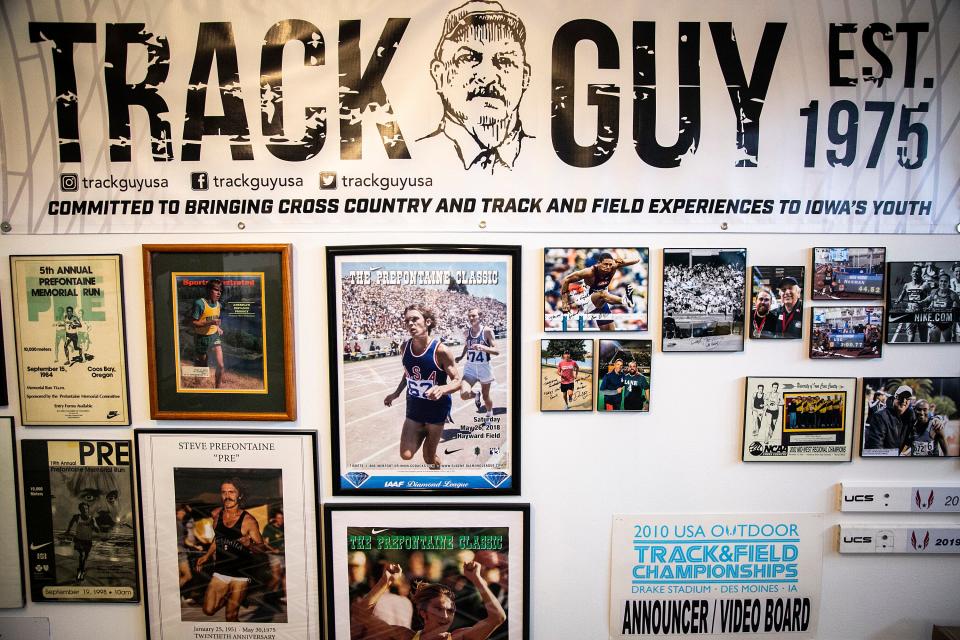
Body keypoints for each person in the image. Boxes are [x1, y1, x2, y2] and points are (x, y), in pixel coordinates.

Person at [418, 0, 531, 172]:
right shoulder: (413, 159)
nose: (488, 76)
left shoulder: (549, 158)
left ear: (524, 77)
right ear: (439, 74)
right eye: (468, 58)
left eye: (504, 60)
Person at [383, 304, 462, 469]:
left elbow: (457, 380)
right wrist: (396, 393)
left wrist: (443, 389)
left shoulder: (441, 350)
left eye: (415, 319)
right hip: (415, 407)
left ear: (427, 322)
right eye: (407, 321)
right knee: (406, 455)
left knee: (428, 458)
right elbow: (409, 373)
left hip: (436, 409)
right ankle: (423, 431)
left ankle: (435, 461)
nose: (410, 324)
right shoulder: (404, 348)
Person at [350, 561, 506, 640]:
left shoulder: (459, 637)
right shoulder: (405, 636)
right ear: (423, 612)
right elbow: (360, 613)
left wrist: (476, 579)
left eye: (450, 610)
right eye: (438, 608)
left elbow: (498, 618)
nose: (445, 616)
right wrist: (385, 582)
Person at [195, 478, 267, 621]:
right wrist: (207, 556)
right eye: (224, 492)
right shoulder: (216, 514)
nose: (227, 496)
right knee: (208, 610)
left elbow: (262, 548)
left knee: (231, 617)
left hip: (240, 574)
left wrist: (250, 545)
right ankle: (233, 598)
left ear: (239, 495)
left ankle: (237, 601)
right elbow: (218, 538)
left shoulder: (248, 521)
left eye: (231, 492)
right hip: (221, 570)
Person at [559, 253, 638, 329]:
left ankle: (626, 301)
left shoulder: (613, 267)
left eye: (610, 265)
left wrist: (623, 261)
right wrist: (564, 302)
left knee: (610, 332)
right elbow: (566, 280)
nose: (608, 267)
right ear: (599, 263)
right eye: (605, 264)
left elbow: (637, 260)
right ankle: (625, 301)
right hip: (588, 303)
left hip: (602, 302)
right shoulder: (589, 272)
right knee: (602, 293)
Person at [456, 308, 499, 421]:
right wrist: (461, 356)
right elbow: (467, 345)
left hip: (484, 368)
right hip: (470, 367)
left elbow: (496, 350)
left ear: (480, 316)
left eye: (473, 316)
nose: (471, 318)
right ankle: (475, 395)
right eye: (469, 316)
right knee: (464, 394)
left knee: (486, 397)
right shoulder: (466, 333)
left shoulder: (487, 331)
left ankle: (489, 413)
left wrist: (483, 347)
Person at [191, 279, 225, 387]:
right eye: (216, 290)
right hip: (201, 338)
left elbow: (216, 319)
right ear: (208, 290)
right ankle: (197, 386)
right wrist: (211, 322)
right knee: (203, 366)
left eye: (220, 291)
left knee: (220, 365)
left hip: (214, 336)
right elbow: (194, 322)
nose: (219, 293)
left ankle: (218, 390)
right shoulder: (199, 303)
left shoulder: (219, 305)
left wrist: (217, 327)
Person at [863, 385, 916, 453]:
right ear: (894, 398)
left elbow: (913, 439)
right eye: (901, 397)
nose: (904, 401)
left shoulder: (910, 416)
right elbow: (875, 448)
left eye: (907, 398)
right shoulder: (880, 416)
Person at [891, 265, 932, 342]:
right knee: (910, 336)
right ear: (911, 273)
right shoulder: (907, 285)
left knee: (923, 338)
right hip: (910, 313)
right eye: (913, 271)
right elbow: (902, 295)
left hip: (921, 313)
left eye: (917, 272)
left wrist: (923, 302)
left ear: (921, 273)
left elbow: (931, 296)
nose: (915, 273)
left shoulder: (925, 284)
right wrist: (898, 301)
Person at [918, 272, 960, 343]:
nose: (943, 283)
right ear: (939, 281)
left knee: (947, 343)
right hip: (935, 323)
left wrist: (954, 309)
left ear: (948, 283)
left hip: (946, 324)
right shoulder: (934, 291)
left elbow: (958, 308)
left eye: (945, 281)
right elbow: (929, 298)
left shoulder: (953, 295)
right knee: (934, 343)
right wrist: (922, 301)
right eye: (941, 281)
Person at [63, 502, 100, 582]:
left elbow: (97, 530)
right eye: (82, 508)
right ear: (80, 509)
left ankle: (81, 569)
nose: (84, 510)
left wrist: (94, 526)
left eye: (86, 508)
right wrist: (68, 531)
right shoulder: (76, 517)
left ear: (88, 509)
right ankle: (80, 572)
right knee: (82, 555)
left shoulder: (92, 519)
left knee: (85, 557)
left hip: (88, 541)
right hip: (79, 539)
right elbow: (71, 523)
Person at [262, 508, 285, 598]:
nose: (281, 520)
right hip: (273, 555)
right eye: (279, 518)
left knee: (280, 576)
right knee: (276, 577)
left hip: (282, 554)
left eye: (282, 518)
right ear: (275, 518)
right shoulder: (269, 527)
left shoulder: (283, 527)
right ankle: (266, 594)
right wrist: (273, 549)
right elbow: (265, 542)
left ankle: (273, 597)